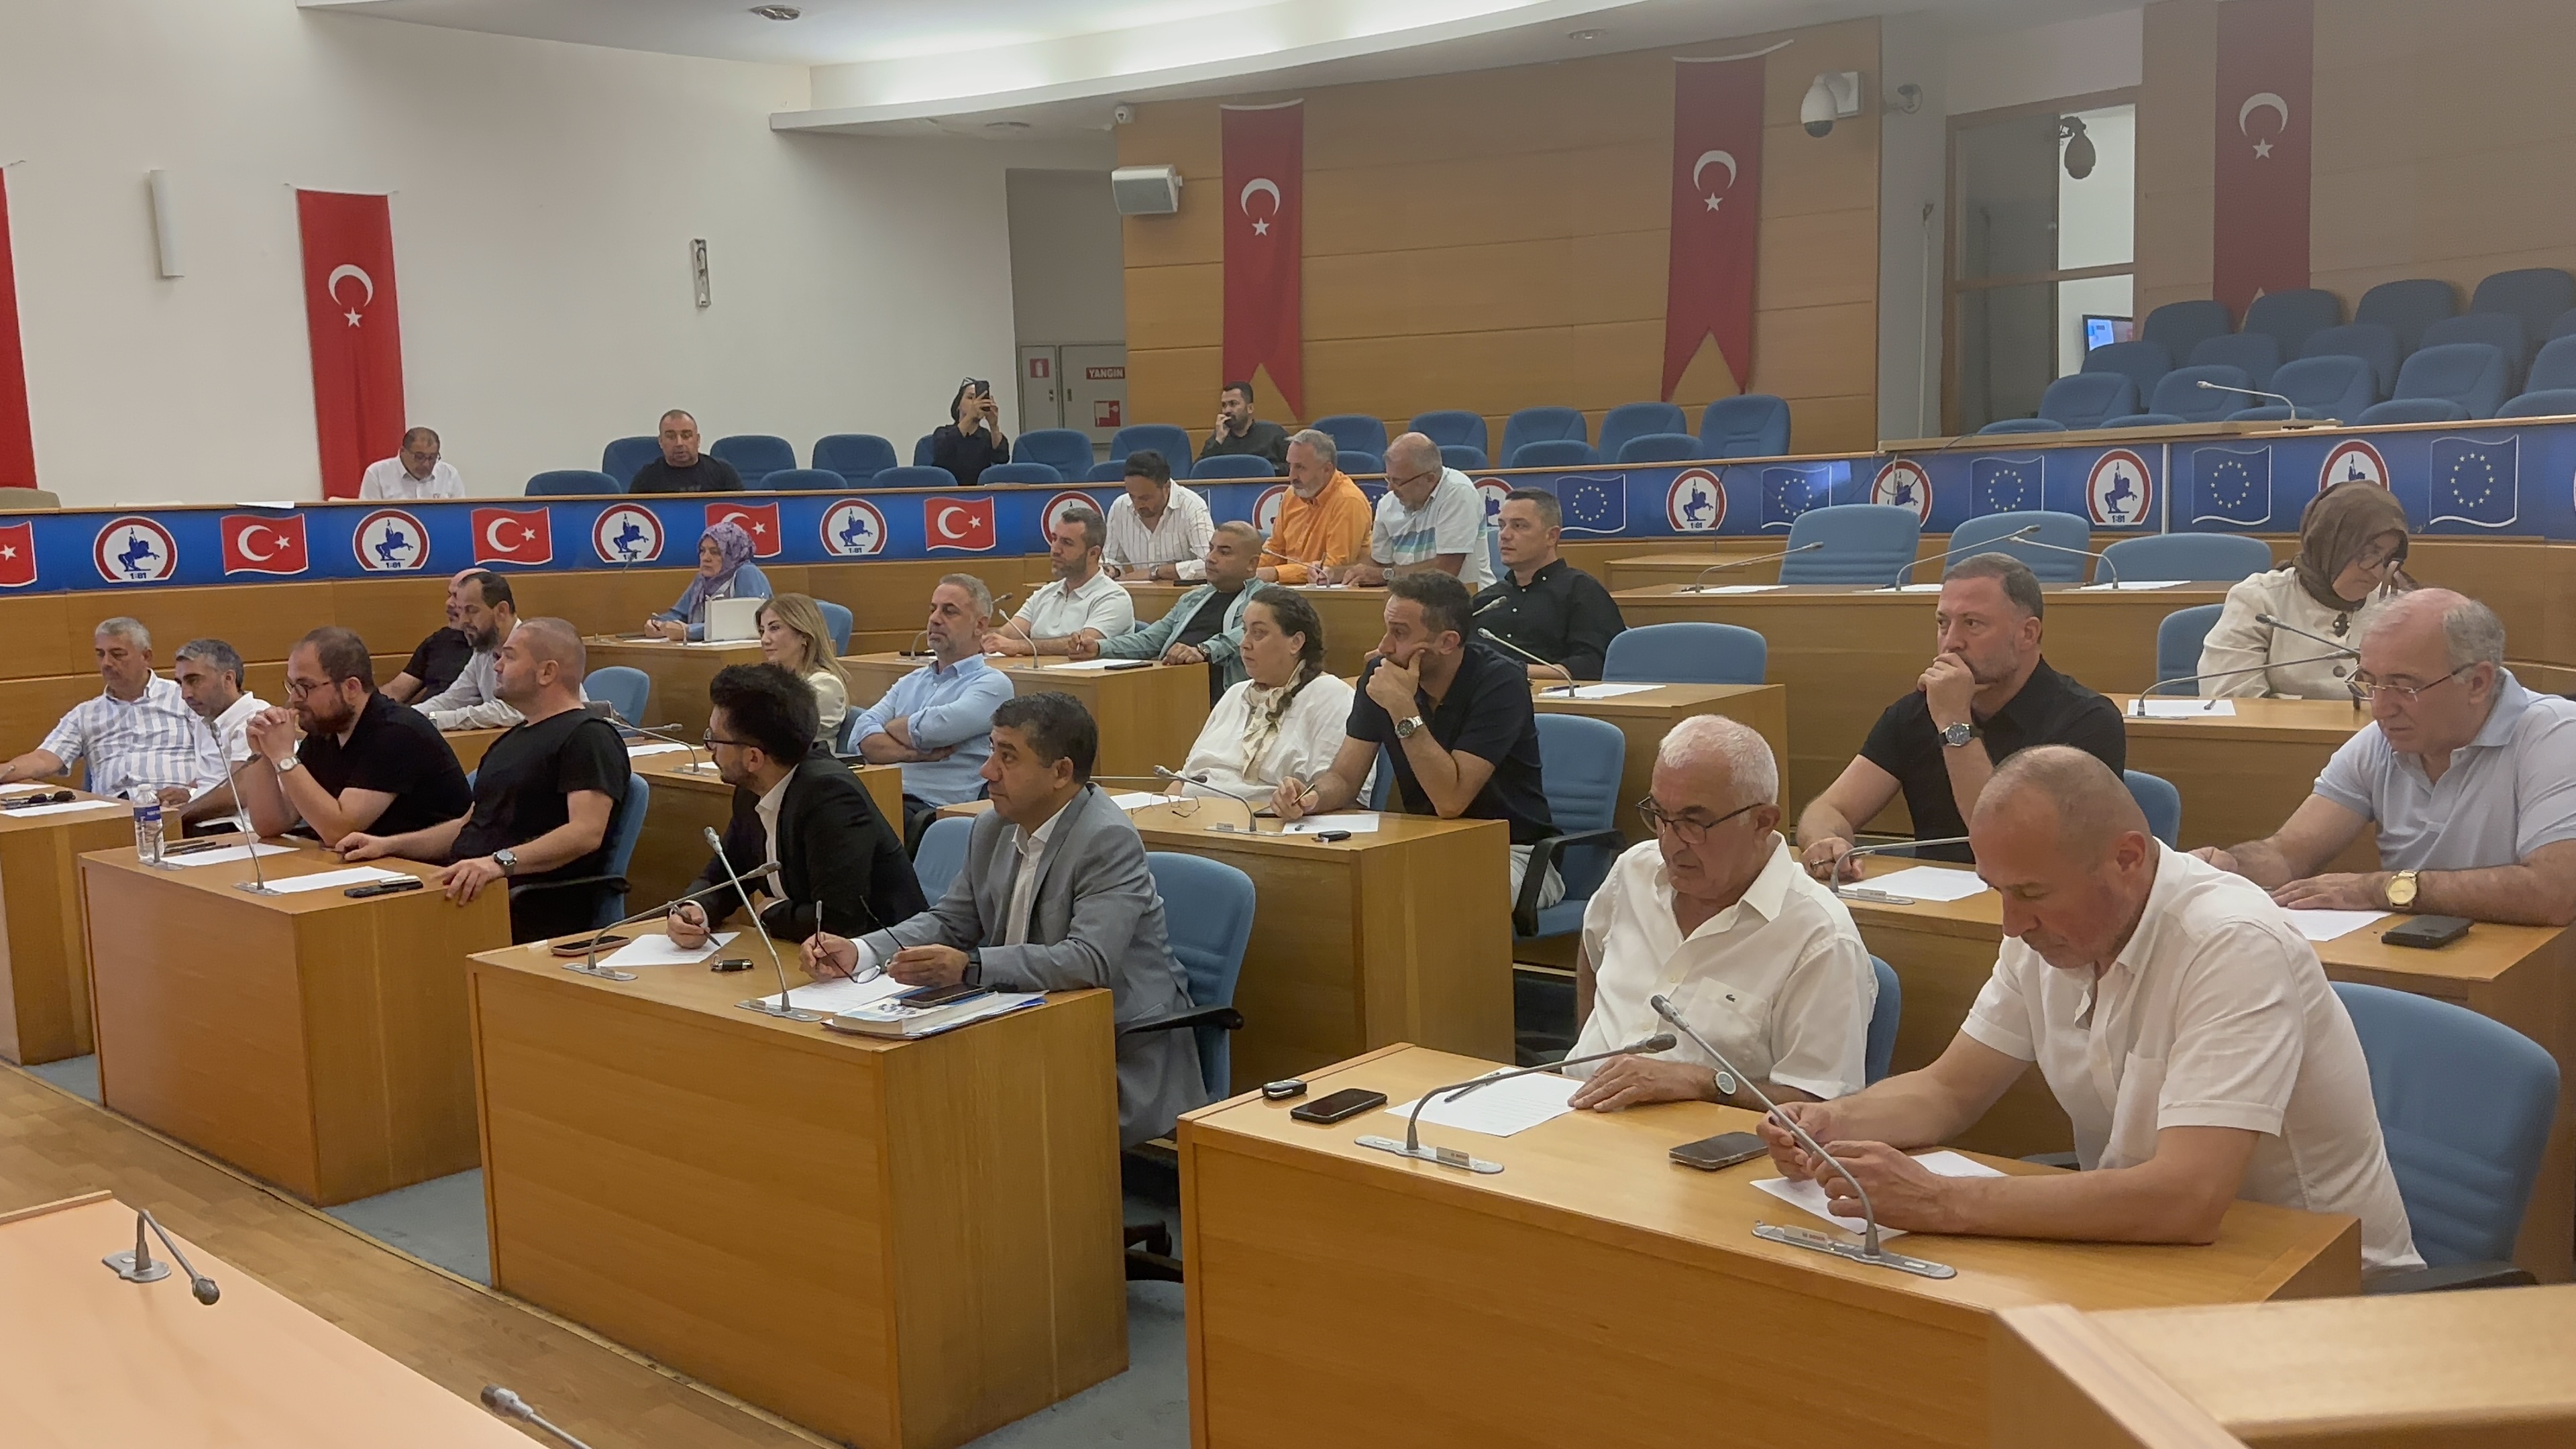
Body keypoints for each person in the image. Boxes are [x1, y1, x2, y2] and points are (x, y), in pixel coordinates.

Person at [1758, 747, 2420, 1273]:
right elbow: (1947, 1092)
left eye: (2031, 893)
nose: (2011, 923)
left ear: (2126, 858)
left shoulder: (2231, 944)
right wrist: (1834, 1122)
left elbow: (2187, 1199)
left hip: (2320, 1286)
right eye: (1997, 890)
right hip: (2155, 1258)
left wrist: (1942, 1200)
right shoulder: (2046, 935)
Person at [802, 693, 1207, 1149]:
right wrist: (861, 950)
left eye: (1008, 757)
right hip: (1017, 1025)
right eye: (992, 750)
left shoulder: (1106, 839)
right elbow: (951, 921)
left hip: (1108, 1043)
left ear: (1061, 772)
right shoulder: (993, 826)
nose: (987, 771)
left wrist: (970, 966)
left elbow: (1089, 960)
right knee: (892, 1085)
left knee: (948, 1108)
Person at [2193, 590, 2576, 926]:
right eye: (2370, 683)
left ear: (2477, 683)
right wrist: (2229, 866)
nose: (2380, 708)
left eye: (2404, 687)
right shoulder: (2380, 742)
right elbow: (2288, 853)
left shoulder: (2553, 735)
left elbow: (2555, 893)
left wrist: (2378, 889)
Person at [1566, 716, 1874, 1113]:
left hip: (1695, 1140)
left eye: (1693, 823)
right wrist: (1587, 1052)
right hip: (1570, 1113)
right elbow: (1593, 954)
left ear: (1762, 822)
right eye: (1659, 815)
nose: (1670, 843)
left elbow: (1821, 1105)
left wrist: (1705, 1083)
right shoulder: (1634, 870)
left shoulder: (1819, 937)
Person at [1796, 553, 2123, 875]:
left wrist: (1955, 723)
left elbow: (2005, 845)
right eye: (1943, 623)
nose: (1951, 643)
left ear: (2028, 633)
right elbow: (1830, 808)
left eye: (1972, 624)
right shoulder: (1916, 712)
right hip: (1932, 902)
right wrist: (1825, 841)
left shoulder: (2087, 721)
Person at [1274, 572, 1561, 908]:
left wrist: (1402, 708)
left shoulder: (1501, 682)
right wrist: (1311, 798)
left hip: (1514, 854)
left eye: (1399, 633)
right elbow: (1344, 778)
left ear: (1448, 642)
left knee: (1428, 899)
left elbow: (1450, 802)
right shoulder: (1383, 674)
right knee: (1326, 888)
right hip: (1426, 845)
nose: (1384, 647)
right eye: (1387, 629)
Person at [343, 619, 633, 943]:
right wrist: (388, 845)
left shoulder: (589, 737)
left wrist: (499, 863)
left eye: (509, 657)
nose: (497, 666)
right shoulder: (513, 738)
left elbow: (585, 833)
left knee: (373, 936)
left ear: (547, 672)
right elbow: (467, 825)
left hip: (522, 904)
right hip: (470, 887)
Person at [667, 664, 926, 949]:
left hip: (885, 958)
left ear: (754, 758)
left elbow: (837, 921)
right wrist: (695, 909)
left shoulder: (830, 797)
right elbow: (729, 874)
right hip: (806, 953)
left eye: (714, 739)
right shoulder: (752, 789)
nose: (710, 749)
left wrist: (770, 912)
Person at [238, 627, 474, 849]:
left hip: (431, 869)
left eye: (305, 687)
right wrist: (262, 753)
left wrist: (284, 756)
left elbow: (339, 831)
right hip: (373, 864)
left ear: (351, 688)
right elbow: (271, 825)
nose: (294, 699)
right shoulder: (326, 731)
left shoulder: (397, 732)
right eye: (292, 686)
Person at [2198, 482, 2413, 699]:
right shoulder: (2259, 600)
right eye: (2369, 554)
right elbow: (2231, 700)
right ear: (2329, 544)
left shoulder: (2393, 608)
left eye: (2388, 558)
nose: (2378, 572)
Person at [1170, 588, 1356, 806]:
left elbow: (1335, 791)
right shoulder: (1235, 693)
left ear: (1296, 643)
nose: (1244, 643)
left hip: (1265, 818)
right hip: (1193, 811)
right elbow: (1184, 778)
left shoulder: (1330, 696)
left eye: (1258, 633)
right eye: (1244, 631)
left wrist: (1298, 803)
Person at [851, 575, 1018, 813]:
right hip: (882, 793)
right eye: (933, 609)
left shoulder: (993, 685)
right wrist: (912, 754)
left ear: (980, 626)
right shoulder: (911, 681)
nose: (935, 619)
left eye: (949, 611)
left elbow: (932, 731)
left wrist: (890, 727)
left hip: (931, 807)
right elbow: (860, 734)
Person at [1, 617, 215, 800]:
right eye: (100, 654)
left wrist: (191, 793)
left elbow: (218, 761)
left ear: (146, 656)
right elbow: (43, 759)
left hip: (177, 808)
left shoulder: (185, 698)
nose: (106, 663)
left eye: (117, 654)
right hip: (112, 813)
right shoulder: (85, 714)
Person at [1073, 521, 1260, 704]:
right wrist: (1100, 647)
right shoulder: (1193, 598)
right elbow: (1150, 639)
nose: (1211, 558)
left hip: (1225, 700)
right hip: (1171, 690)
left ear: (1252, 564)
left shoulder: (1266, 599)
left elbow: (1246, 635)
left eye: (1224, 552)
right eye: (1211, 549)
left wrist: (1204, 650)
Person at [1473, 488, 1627, 683]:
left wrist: (1515, 671)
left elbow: (1592, 666)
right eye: (1502, 525)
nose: (1504, 535)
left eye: (1519, 526)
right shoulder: (1487, 600)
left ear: (1551, 536)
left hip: (1555, 695)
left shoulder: (1581, 591)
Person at [1328, 432, 1494, 591]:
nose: (1390, 488)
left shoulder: (1458, 493)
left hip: (1468, 600)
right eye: (1388, 479)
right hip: (1412, 599)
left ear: (1430, 478)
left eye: (1398, 481)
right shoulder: (1388, 503)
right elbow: (1379, 563)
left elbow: (1446, 570)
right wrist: (1336, 573)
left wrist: (1387, 575)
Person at [981, 505, 1134, 657]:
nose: (1055, 550)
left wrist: (1018, 646)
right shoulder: (1044, 594)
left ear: (1093, 553)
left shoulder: (1114, 598)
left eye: (1067, 543)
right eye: (1054, 539)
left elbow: (1083, 645)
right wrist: (983, 640)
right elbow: (1008, 633)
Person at [168, 638, 271, 830]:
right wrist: (188, 793)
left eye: (194, 681)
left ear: (228, 679)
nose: (185, 694)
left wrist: (172, 817)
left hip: (238, 828)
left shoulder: (254, 719)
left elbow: (239, 795)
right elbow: (214, 778)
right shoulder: (207, 716)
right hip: (206, 822)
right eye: (180, 683)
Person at [1254, 429, 1373, 585]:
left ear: (1327, 469)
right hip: (1290, 589)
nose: (1292, 476)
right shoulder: (1292, 494)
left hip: (1333, 592)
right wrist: (1250, 572)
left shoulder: (1349, 501)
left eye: (1301, 468)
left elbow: (1332, 568)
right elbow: (1275, 549)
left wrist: (1276, 573)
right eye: (1290, 466)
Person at [418, 571, 527, 731]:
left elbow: (512, 711)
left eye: (472, 610)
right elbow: (452, 699)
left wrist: (435, 720)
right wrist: (410, 718)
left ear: (502, 611)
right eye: (461, 611)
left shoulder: (532, 647)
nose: (463, 621)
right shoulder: (483, 651)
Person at [647, 522, 772, 643]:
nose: (705, 558)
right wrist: (658, 625)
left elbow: (749, 623)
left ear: (732, 554)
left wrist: (690, 631)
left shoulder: (747, 573)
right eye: (702, 551)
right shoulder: (702, 580)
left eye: (715, 552)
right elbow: (679, 615)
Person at [1102, 451, 1215, 582]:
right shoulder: (1120, 506)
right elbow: (1112, 559)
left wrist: (1157, 572)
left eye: (1145, 498)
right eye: (1132, 496)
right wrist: (1112, 570)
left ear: (1166, 487)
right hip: (1138, 592)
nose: (1137, 505)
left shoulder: (1192, 506)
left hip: (1185, 592)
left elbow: (1211, 563)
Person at [755, 594, 851, 749]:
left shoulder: (825, 685)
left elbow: (784, 739)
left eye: (774, 628)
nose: (765, 640)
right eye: (762, 631)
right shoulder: (769, 681)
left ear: (804, 635)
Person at [382, 568, 480, 704]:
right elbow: (396, 691)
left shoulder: (499, 649)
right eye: (449, 595)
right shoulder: (441, 640)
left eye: (457, 597)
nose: (449, 603)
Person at [628, 410, 745, 494]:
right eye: (671, 436)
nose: (679, 443)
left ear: (698, 440)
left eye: (686, 436)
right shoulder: (646, 478)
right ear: (661, 442)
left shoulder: (723, 472)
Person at [930, 378, 1010, 486]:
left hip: (980, 492)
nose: (975, 403)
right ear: (958, 405)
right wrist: (970, 416)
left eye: (979, 399)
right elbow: (943, 454)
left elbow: (1002, 459)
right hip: (948, 492)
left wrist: (994, 426)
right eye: (970, 398)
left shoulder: (987, 436)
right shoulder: (943, 432)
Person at [1199, 379, 1288, 473]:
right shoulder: (1218, 438)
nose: (1227, 410)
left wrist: (1268, 469)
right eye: (1224, 405)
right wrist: (1218, 440)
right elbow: (1200, 472)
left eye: (1233, 404)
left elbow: (1294, 466)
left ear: (1250, 408)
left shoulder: (1273, 434)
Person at [358, 427, 463, 500]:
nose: (426, 464)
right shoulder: (377, 474)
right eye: (419, 457)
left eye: (432, 458)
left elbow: (460, 516)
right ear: (403, 451)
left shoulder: (449, 474)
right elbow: (369, 518)